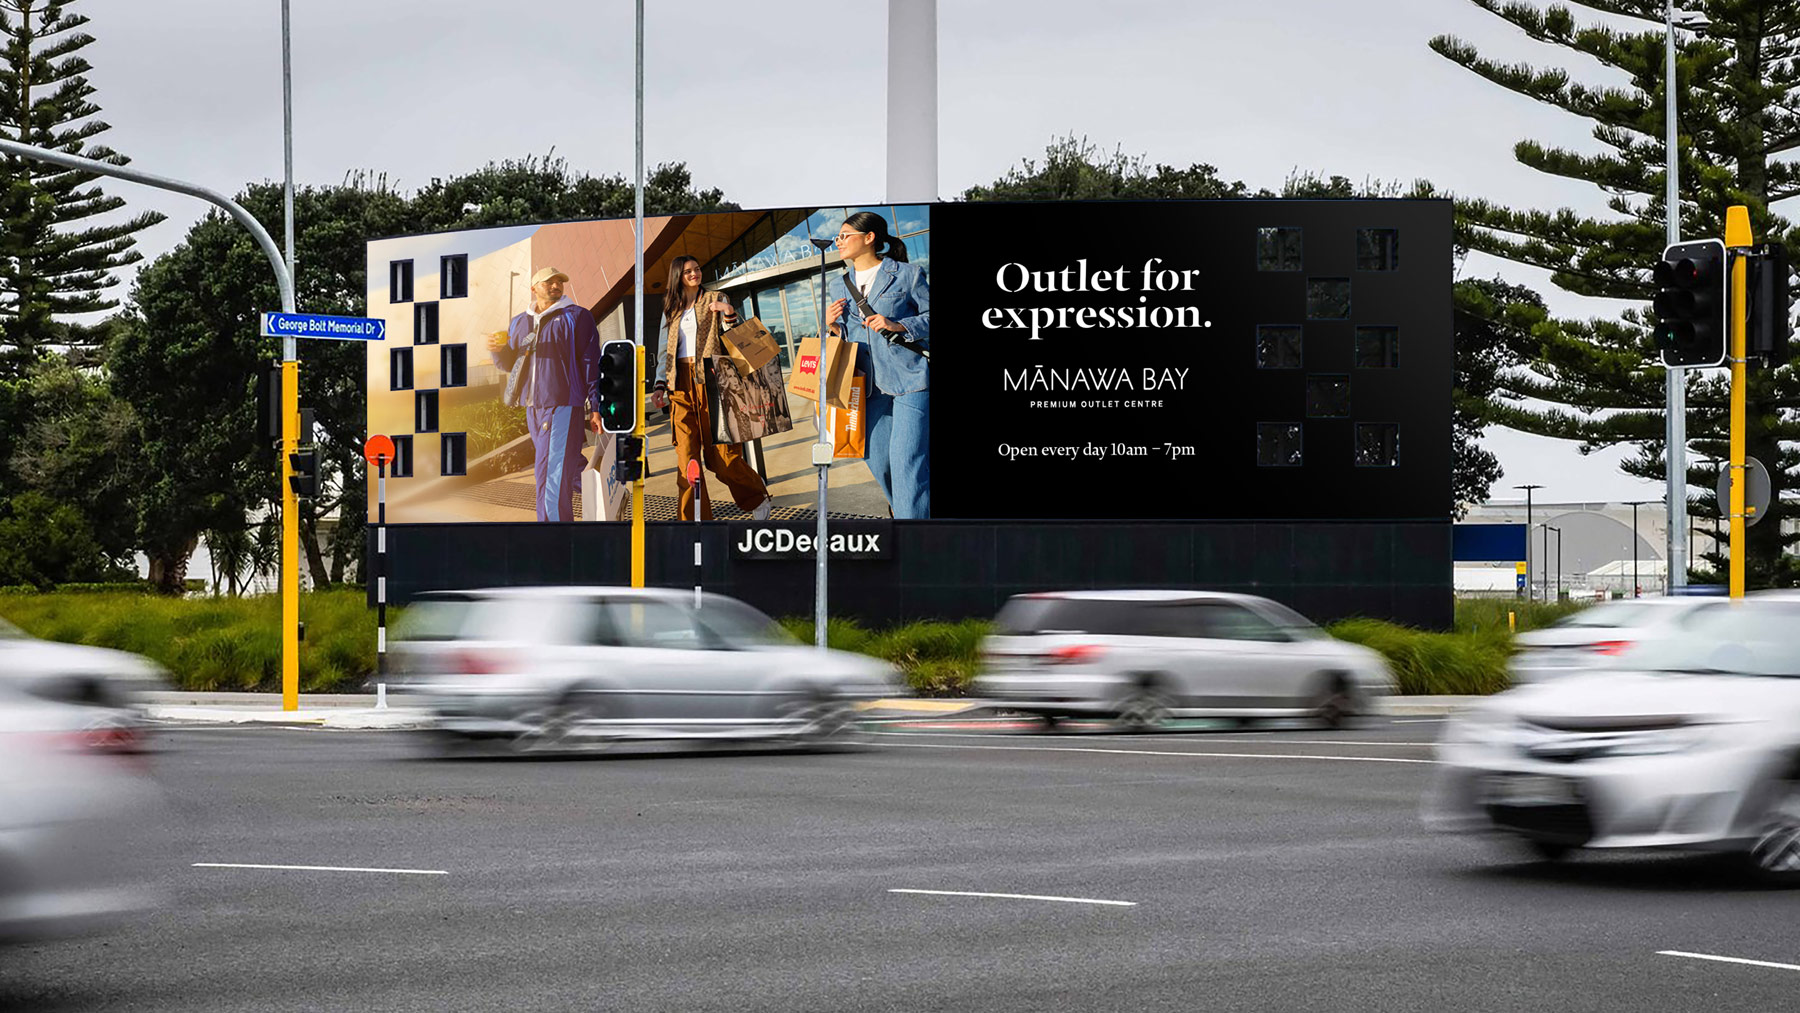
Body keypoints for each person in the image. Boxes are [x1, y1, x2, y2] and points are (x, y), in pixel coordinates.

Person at [650, 256, 774, 521]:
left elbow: (736, 336)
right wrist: (660, 382)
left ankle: (756, 496)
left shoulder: (716, 297)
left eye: (697, 269)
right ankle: (694, 522)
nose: (694, 274)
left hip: (713, 381)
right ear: (677, 276)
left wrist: (728, 313)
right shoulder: (671, 307)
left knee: (723, 458)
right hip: (680, 386)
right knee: (687, 462)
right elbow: (664, 349)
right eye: (687, 271)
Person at [824, 211, 930, 518]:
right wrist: (830, 325)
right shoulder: (838, 285)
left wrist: (896, 325)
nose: (839, 241)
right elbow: (844, 336)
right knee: (881, 463)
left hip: (910, 380)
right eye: (838, 237)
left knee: (907, 462)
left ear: (869, 238)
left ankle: (914, 543)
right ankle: (914, 517)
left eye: (845, 235)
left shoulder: (908, 274)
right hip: (864, 387)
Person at [486, 266, 601, 522]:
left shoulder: (577, 316)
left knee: (549, 471)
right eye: (549, 282)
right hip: (532, 407)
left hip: (561, 403)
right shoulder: (519, 321)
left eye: (559, 282)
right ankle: (602, 493)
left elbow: (591, 361)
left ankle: (552, 534)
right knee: (562, 466)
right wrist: (497, 350)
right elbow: (509, 365)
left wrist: (596, 404)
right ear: (534, 287)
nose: (555, 286)